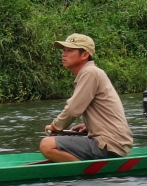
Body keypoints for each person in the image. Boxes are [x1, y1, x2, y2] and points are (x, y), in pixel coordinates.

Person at [40, 33, 134, 162]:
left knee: (47, 145)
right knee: (54, 146)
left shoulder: (90, 73)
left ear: (85, 55)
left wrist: (55, 127)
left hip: (110, 145)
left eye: (70, 50)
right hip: (112, 143)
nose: (64, 54)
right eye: (64, 50)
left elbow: (73, 109)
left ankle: (84, 172)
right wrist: (90, 126)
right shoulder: (90, 73)